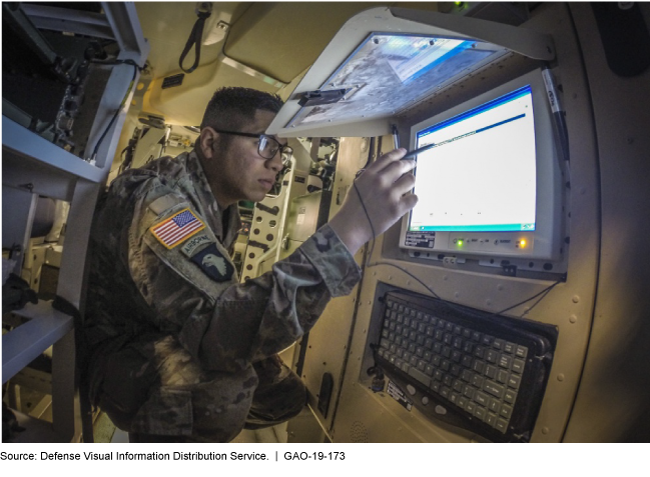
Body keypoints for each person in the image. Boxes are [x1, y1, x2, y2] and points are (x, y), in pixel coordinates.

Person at [83, 87, 417, 442]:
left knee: (285, 395)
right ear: (210, 144)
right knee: (223, 391)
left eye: (281, 150)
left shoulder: (222, 211)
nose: (277, 162)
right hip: (113, 350)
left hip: (161, 328)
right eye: (265, 144)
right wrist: (351, 229)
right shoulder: (159, 202)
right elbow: (222, 335)